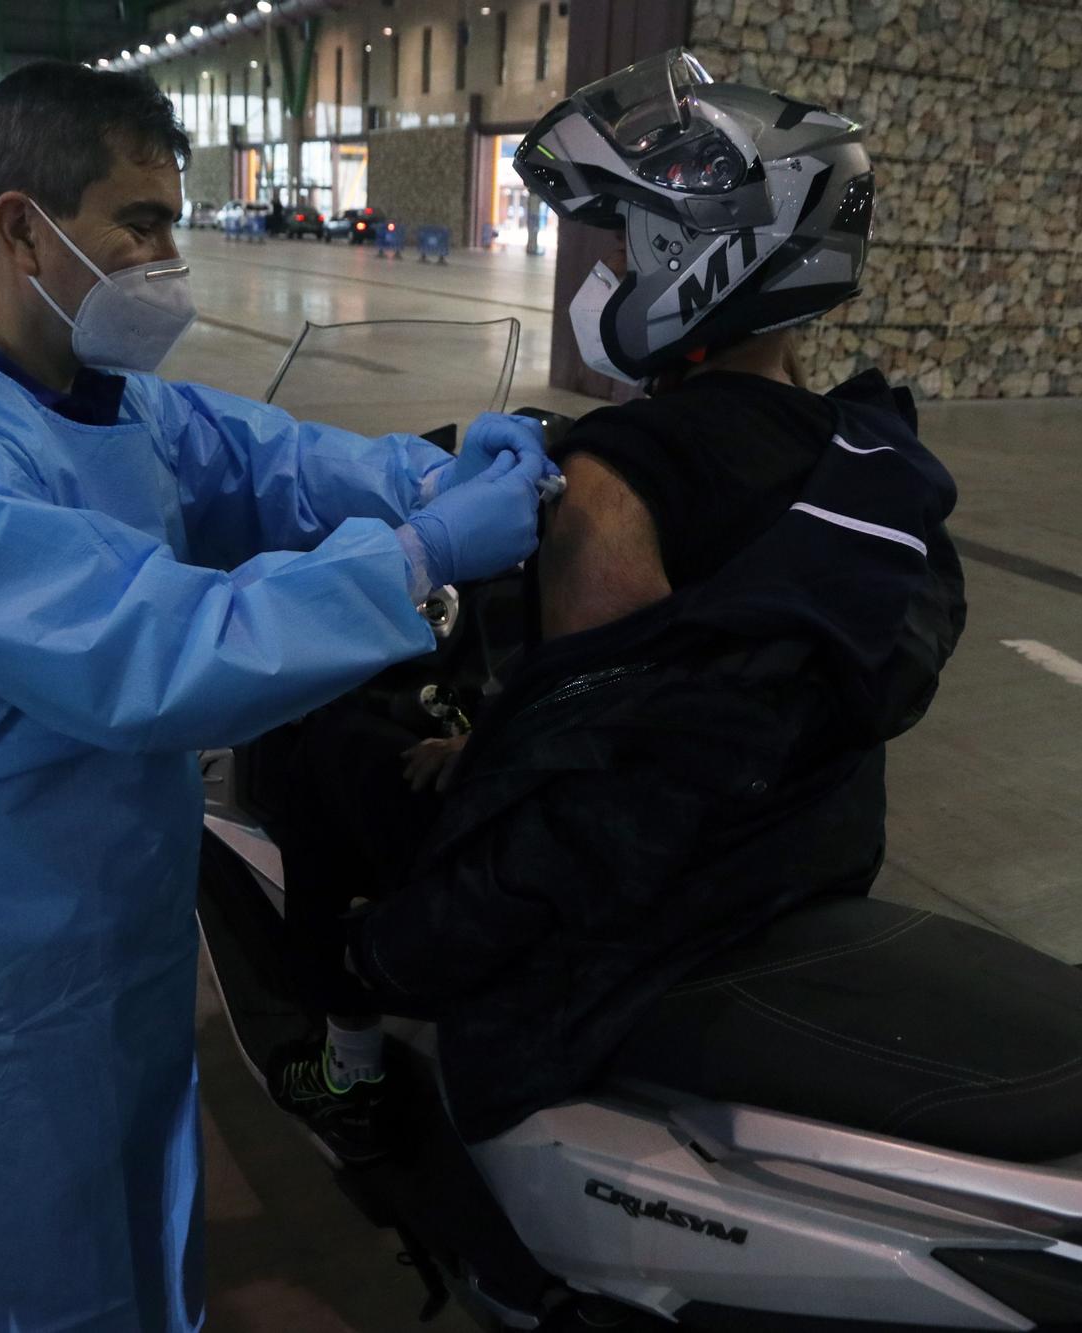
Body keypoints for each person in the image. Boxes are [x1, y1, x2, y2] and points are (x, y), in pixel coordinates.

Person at [0, 61, 552, 1331]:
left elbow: (253, 457)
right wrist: (420, 558)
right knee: (12, 1283)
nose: (164, 257)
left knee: (135, 1237)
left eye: (169, 221)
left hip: (102, 913)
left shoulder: (85, 388)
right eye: (135, 224)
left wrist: (422, 468)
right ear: (20, 226)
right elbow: (160, 651)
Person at [267, 50, 966, 1160]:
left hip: (629, 918)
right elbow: (676, 703)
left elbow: (589, 788)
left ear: (710, 257)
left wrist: (388, 951)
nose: (609, 270)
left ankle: (346, 1063)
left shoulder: (620, 470)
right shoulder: (868, 453)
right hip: (801, 850)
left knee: (328, 762)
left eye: (635, 240)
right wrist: (490, 743)